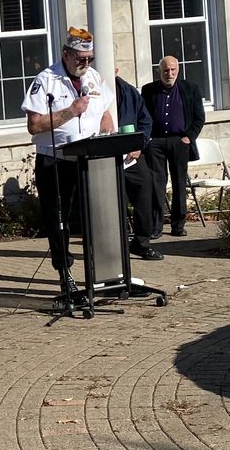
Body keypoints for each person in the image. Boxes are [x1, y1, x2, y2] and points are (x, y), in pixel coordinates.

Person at [21, 27, 115, 286]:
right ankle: (66, 274)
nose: (85, 64)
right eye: (80, 59)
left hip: (90, 160)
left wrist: (109, 130)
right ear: (65, 54)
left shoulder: (93, 77)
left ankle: (103, 272)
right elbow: (35, 125)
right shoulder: (46, 80)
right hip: (56, 160)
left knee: (95, 216)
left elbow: (104, 111)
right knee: (59, 219)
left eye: (89, 59)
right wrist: (71, 111)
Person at [141, 55, 206, 238]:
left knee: (179, 183)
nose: (169, 74)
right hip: (156, 142)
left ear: (178, 70)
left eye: (172, 70)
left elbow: (199, 117)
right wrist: (148, 139)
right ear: (159, 71)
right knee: (156, 184)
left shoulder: (190, 89)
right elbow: (143, 117)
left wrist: (189, 137)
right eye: (165, 70)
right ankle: (156, 227)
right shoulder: (148, 90)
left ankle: (178, 226)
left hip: (180, 141)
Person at [114, 70, 162, 262]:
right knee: (114, 203)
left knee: (145, 191)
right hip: (103, 158)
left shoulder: (128, 91)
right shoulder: (88, 90)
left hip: (131, 157)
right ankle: (113, 248)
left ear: (116, 70)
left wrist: (139, 144)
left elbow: (145, 121)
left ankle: (142, 243)